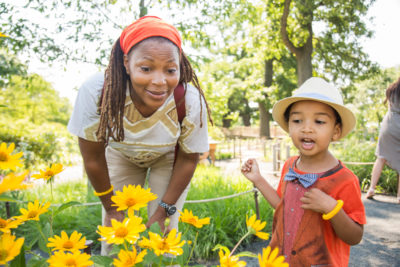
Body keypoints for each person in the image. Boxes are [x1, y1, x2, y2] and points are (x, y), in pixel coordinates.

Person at [67, 16, 212, 254]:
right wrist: (111, 208)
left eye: (170, 70)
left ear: (180, 67)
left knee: (164, 237)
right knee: (115, 236)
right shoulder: (97, 92)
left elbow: (188, 158)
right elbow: (92, 158)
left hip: (168, 159)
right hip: (121, 156)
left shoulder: (190, 100)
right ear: (126, 62)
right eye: (146, 68)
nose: (159, 81)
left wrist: (163, 211)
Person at [241, 77, 366, 266]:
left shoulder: (345, 180)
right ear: (288, 126)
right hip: (279, 261)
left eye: (319, 121)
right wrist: (258, 179)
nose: (307, 128)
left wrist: (332, 208)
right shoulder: (290, 165)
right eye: (298, 120)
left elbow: (355, 237)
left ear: (336, 131)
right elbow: (282, 207)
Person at [366, 77, 400, 203]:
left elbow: (386, 103)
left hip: (389, 124)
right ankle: (399, 196)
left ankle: (371, 189)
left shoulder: (391, 88)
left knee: (381, 157)